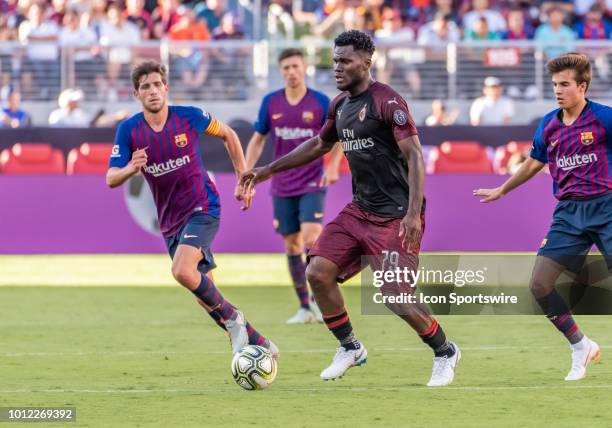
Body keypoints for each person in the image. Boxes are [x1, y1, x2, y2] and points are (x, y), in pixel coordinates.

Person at [240, 30, 460, 387]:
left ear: (366, 62)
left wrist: (413, 213)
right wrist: (267, 169)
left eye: (345, 61)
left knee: (396, 297)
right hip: (360, 211)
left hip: (396, 216)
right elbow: (319, 144)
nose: (337, 67)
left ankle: (444, 350)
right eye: (335, 60)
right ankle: (350, 346)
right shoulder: (340, 105)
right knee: (317, 271)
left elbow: (415, 156)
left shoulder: (387, 102)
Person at [106, 61, 277, 358]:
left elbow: (229, 135)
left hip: (202, 206)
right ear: (136, 94)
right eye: (145, 87)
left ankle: (235, 320)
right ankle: (260, 342)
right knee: (204, 294)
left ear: (166, 88)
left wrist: (243, 178)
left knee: (182, 270)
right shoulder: (129, 130)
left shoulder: (190, 117)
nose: (153, 91)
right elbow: (111, 178)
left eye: (157, 84)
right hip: (170, 221)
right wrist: (131, 167)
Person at [473, 52, 610, 381]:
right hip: (568, 214)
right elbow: (535, 162)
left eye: (564, 85)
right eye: (554, 85)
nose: (558, 90)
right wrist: (503, 189)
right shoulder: (549, 124)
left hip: (606, 208)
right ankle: (581, 346)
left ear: (583, 86)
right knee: (539, 284)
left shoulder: (604, 119)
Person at [245, 48, 342, 325]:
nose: (291, 71)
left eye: (295, 66)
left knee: (311, 239)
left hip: (312, 180)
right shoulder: (271, 103)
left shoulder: (321, 102)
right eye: (286, 67)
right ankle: (304, 307)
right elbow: (258, 139)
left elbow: (338, 138)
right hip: (282, 183)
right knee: (291, 245)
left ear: (305, 68)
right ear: (281, 70)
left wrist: (333, 165)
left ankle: (321, 299)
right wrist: (246, 172)